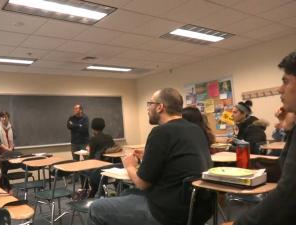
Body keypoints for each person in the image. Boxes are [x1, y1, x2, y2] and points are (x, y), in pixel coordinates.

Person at [88, 88, 213, 225]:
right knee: (126, 194)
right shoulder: (196, 129)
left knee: (96, 208)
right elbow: (176, 162)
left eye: (150, 103)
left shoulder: (160, 132)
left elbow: (142, 183)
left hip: (168, 213)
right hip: (197, 208)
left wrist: (129, 166)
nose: (147, 108)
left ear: (160, 107)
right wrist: (148, 156)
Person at [223, 51, 296, 225]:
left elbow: (288, 195)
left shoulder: (254, 129)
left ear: (244, 114)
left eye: (285, 81)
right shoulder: (240, 127)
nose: (280, 89)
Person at [87, 117, 115, 198]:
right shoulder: (109, 137)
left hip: (98, 168)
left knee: (82, 172)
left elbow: (91, 157)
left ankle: (91, 191)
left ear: (92, 127)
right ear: (104, 126)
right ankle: (98, 191)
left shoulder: (93, 139)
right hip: (110, 166)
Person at [0, 111, 18, 192]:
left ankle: (1, 187)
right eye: (2, 117)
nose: (4, 118)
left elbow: (14, 139)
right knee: (4, 170)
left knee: (4, 171)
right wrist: (8, 149)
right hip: (0, 153)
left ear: (8, 118)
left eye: (6, 117)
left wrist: (11, 147)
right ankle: (8, 188)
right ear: (0, 118)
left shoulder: (12, 128)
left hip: (10, 152)